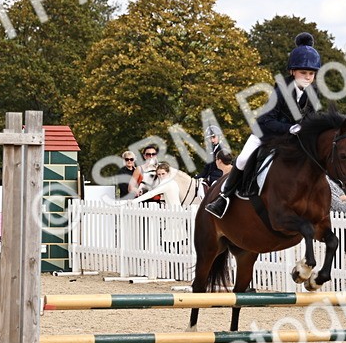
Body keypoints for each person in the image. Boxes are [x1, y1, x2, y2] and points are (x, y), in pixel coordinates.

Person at [206, 33, 320, 218]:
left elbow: (312, 117)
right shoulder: (280, 91)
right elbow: (266, 121)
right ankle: (223, 197)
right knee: (242, 160)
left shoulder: (313, 92)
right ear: (293, 72)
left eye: (311, 74)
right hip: (265, 133)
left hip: (291, 139)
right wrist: (289, 128)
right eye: (303, 73)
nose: (307, 77)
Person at [131, 162, 199, 208]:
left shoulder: (166, 183)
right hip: (174, 213)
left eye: (163, 174)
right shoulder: (172, 182)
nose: (161, 176)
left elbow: (151, 194)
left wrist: (134, 201)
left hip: (174, 215)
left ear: (168, 173)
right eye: (159, 174)